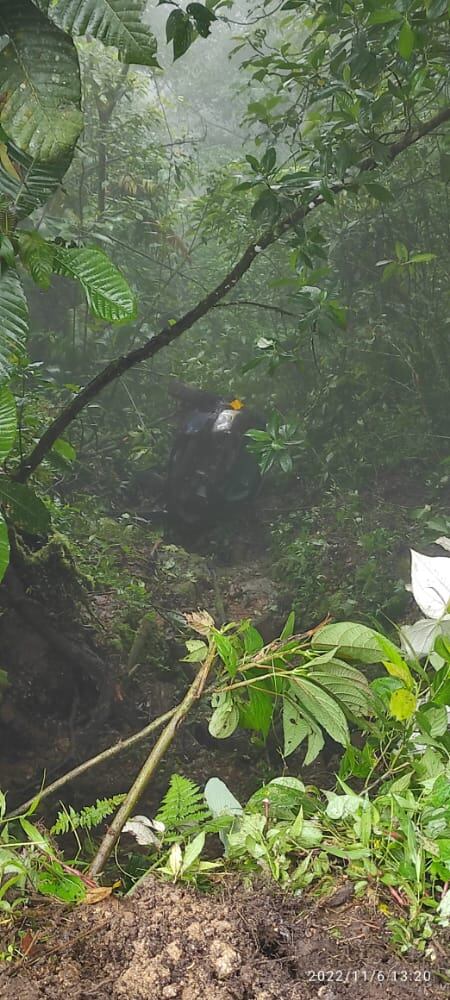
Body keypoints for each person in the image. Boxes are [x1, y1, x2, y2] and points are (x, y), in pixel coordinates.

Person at [166, 381, 264, 528]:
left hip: (217, 443)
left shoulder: (233, 402)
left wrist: (241, 409)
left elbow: (242, 408)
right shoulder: (207, 399)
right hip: (197, 436)